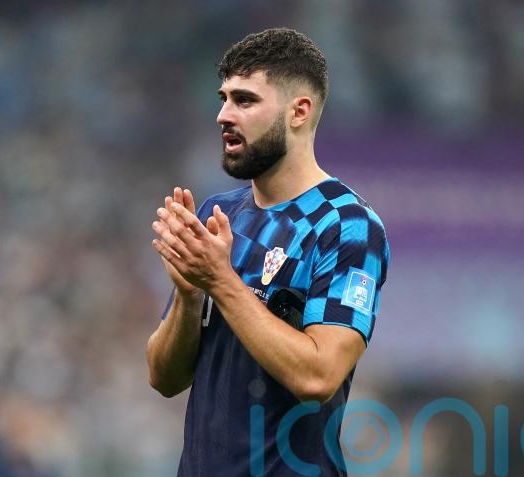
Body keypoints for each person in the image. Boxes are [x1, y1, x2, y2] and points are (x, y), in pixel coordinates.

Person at [146, 28, 389, 477]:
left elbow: (318, 376)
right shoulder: (219, 214)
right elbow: (164, 378)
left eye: (245, 100)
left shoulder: (345, 224)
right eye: (223, 99)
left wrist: (220, 281)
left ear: (299, 111)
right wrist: (188, 295)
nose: (223, 115)